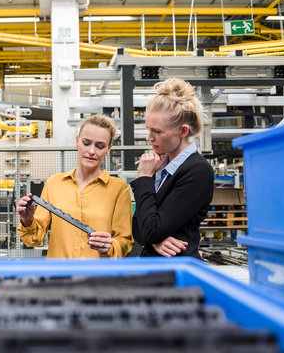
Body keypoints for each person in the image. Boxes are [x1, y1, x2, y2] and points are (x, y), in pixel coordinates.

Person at [16, 114, 134, 258]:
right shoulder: (54, 184)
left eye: (100, 146)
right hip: (60, 276)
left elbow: (125, 242)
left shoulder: (118, 189)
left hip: (99, 276)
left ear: (108, 149)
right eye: (86, 143)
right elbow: (34, 240)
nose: (91, 151)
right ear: (77, 142)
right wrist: (28, 220)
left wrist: (110, 245)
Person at [131, 78, 214, 259]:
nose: (149, 137)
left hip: (177, 271)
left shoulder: (197, 171)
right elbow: (138, 229)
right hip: (156, 270)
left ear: (183, 131)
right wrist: (155, 240)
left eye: (157, 131)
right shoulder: (163, 166)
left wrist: (144, 177)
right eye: (148, 129)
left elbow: (150, 230)